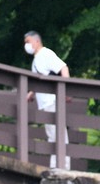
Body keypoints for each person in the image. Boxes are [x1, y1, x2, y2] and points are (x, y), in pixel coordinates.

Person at [24, 30, 70, 168]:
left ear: (37, 41)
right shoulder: (36, 59)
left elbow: (63, 68)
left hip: (52, 101)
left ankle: (63, 168)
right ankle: (56, 166)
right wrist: (32, 93)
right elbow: (42, 78)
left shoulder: (46, 53)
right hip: (45, 103)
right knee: (53, 135)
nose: (26, 45)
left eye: (28, 42)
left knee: (59, 135)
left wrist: (66, 90)